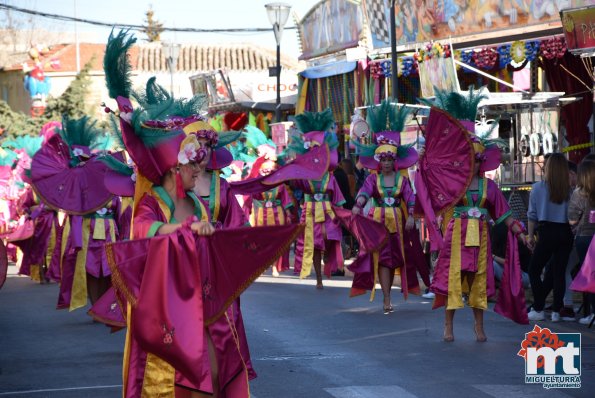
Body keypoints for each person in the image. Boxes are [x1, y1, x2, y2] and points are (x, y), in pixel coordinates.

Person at [416, 92, 530, 343]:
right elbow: (426, 181)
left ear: (482, 161)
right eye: (468, 159)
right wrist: (424, 158)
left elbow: (504, 213)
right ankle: (448, 326)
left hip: (480, 238)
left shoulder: (490, 187)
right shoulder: (451, 185)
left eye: (477, 159)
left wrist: (520, 232)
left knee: (479, 283)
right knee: (452, 281)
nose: (473, 164)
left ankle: (479, 327)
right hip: (455, 238)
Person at [351, 100, 420, 314]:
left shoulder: (403, 181)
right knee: (381, 260)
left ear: (395, 161)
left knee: (394, 260)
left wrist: (411, 216)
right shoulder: (373, 180)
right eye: (385, 159)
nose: (388, 163)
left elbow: (410, 199)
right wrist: (357, 205)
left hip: (398, 225)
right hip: (377, 224)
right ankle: (387, 297)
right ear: (380, 161)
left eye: (391, 159)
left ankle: (389, 294)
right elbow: (363, 193)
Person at [290, 109, 346, 289]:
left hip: (328, 213)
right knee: (313, 244)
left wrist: (344, 214)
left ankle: (329, 263)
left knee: (330, 240)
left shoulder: (330, 176)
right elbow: (293, 181)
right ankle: (319, 278)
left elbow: (338, 199)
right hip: (310, 212)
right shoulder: (303, 176)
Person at [527, 153, 574, 322]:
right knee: (559, 272)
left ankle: (538, 307)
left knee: (534, 269)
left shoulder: (538, 188)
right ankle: (556, 311)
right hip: (566, 232)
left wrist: (530, 236)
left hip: (547, 231)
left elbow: (532, 215)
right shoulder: (569, 190)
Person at [568, 159, 595, 325]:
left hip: (584, 238)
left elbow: (572, 219)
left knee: (590, 276)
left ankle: (592, 312)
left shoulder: (579, 193)